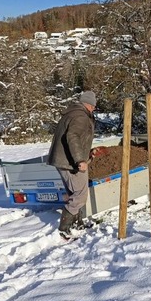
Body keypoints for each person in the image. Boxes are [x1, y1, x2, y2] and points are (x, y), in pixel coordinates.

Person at [48, 90, 97, 238]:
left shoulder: (73, 113)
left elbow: (76, 138)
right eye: (93, 106)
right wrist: (80, 160)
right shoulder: (80, 116)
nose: (94, 108)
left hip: (65, 160)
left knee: (74, 193)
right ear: (88, 104)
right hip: (70, 163)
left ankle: (77, 224)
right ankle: (65, 228)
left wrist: (87, 153)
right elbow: (72, 136)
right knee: (80, 195)